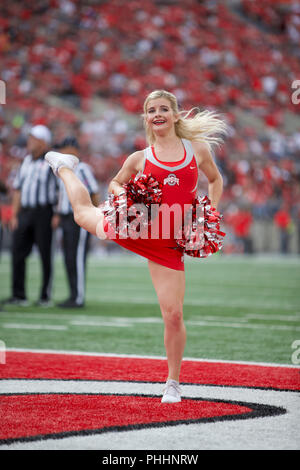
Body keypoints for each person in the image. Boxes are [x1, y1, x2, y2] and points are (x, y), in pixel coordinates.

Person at [45, 90, 226, 403]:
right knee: (82, 214)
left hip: (168, 243)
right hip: (137, 225)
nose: (157, 114)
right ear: (146, 117)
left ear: (175, 114)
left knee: (173, 314)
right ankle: (64, 167)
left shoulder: (197, 149)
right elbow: (115, 183)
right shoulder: (140, 158)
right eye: (151, 110)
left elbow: (215, 180)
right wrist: (126, 197)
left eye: (163, 109)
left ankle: (173, 383)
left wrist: (207, 212)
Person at [4, 125, 58, 307]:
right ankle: (19, 295)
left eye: (34, 138)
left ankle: (45, 295)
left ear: (43, 141)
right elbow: (18, 189)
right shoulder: (26, 161)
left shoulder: (52, 161)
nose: (29, 142)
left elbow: (60, 190)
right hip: (25, 212)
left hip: (44, 211)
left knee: (45, 253)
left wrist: (56, 213)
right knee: (17, 253)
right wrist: (14, 214)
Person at [52, 137, 100, 308]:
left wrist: (93, 214)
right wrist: (57, 214)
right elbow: (61, 195)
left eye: (64, 148)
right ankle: (73, 295)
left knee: (78, 258)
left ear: (73, 149)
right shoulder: (63, 169)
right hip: (65, 217)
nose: (62, 152)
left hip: (79, 219)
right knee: (69, 258)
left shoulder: (82, 168)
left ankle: (78, 297)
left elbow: (94, 192)